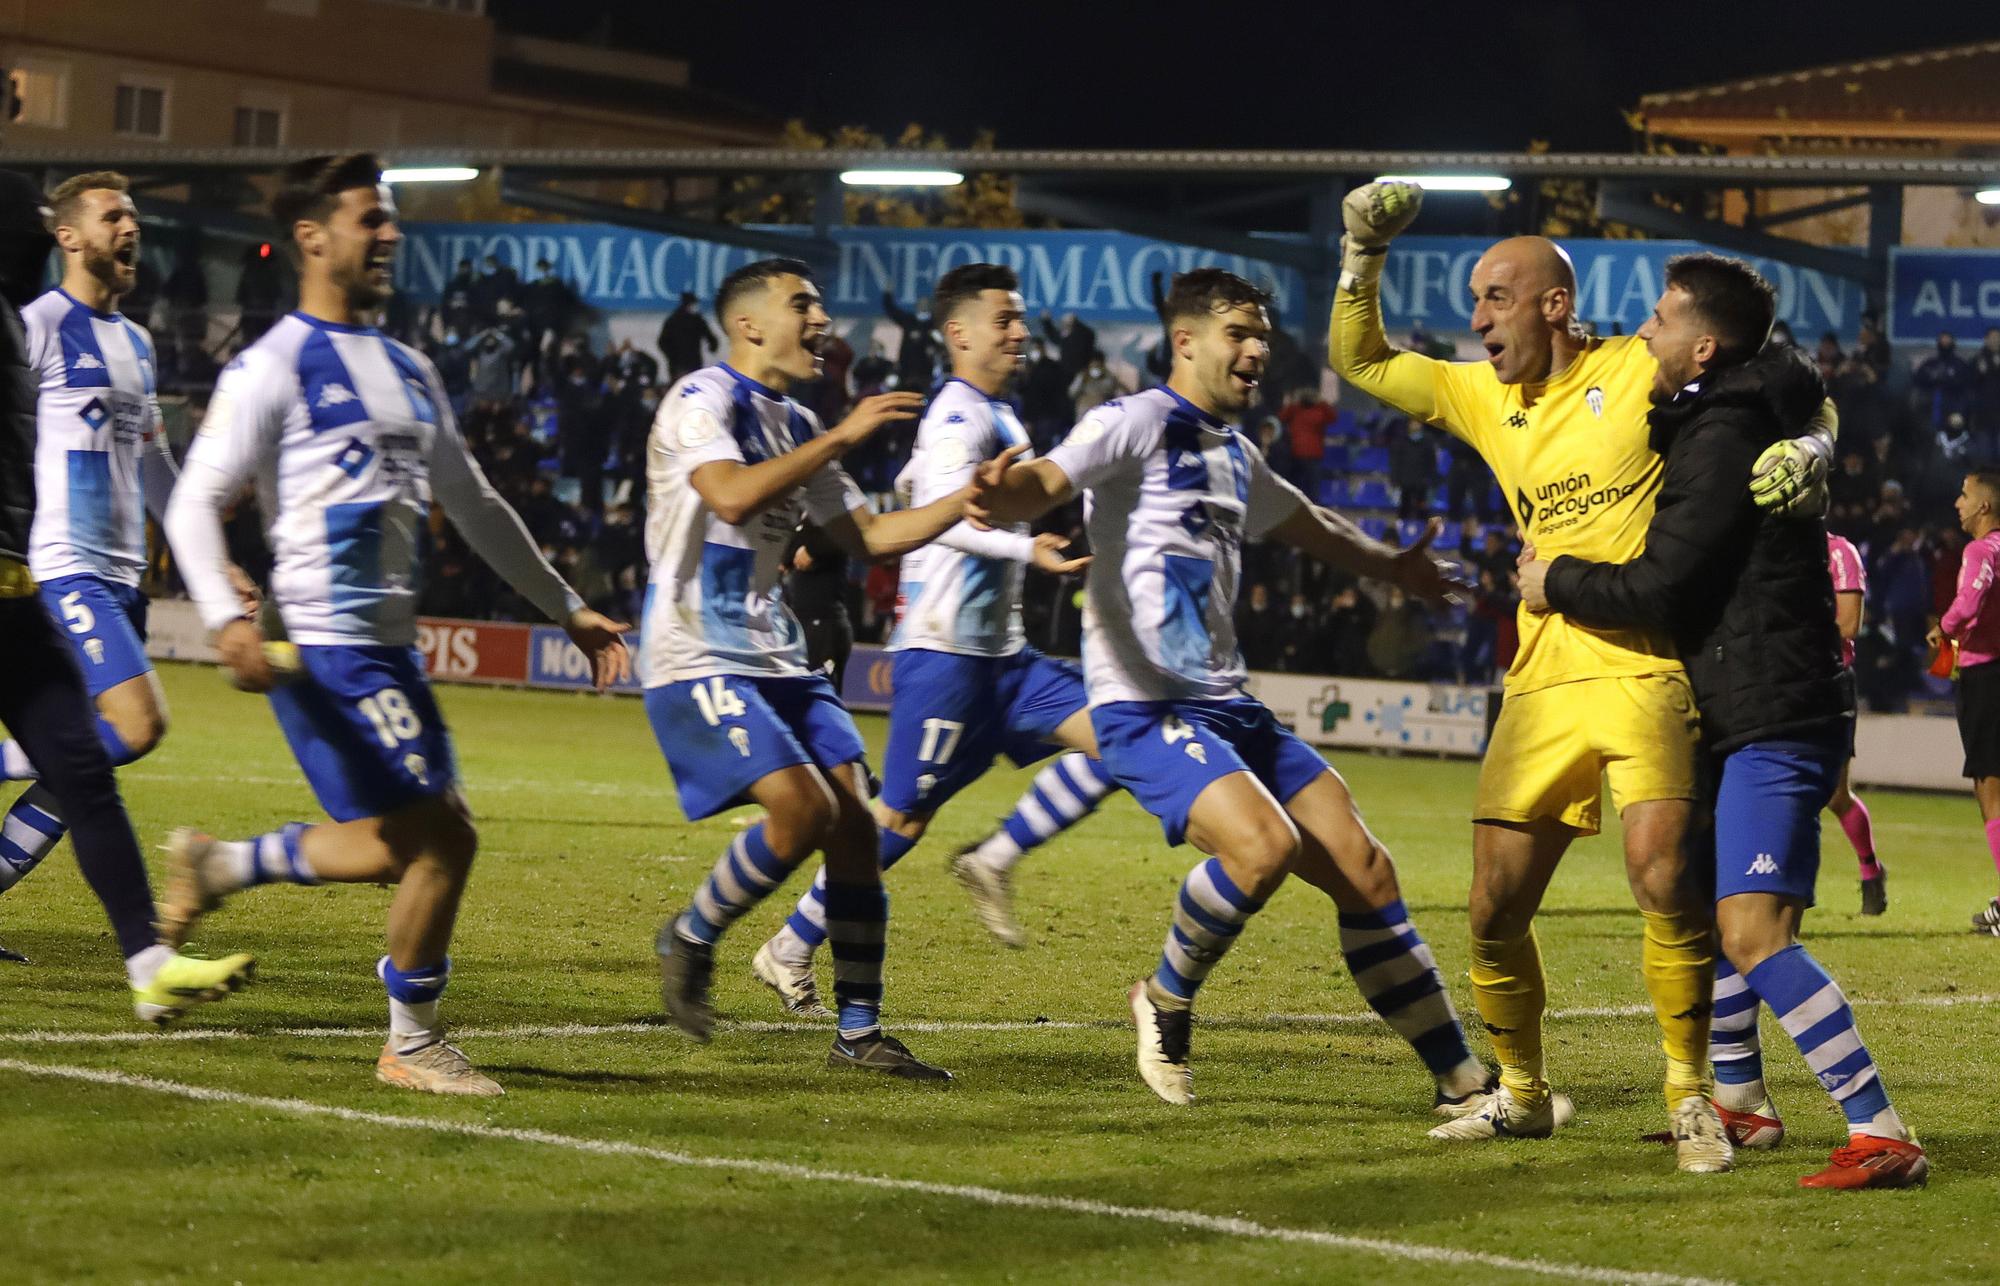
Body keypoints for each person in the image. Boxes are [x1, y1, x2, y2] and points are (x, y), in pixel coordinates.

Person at [1329, 182, 1830, 1166]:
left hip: (1642, 667)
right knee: (1488, 903)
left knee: (1657, 880)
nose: (1475, 319)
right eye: (1473, 299)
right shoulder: (1482, 396)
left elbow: (1781, 377)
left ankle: (1692, 1094)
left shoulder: (1631, 368)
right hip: (1542, 678)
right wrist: (1360, 252)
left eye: (1494, 297)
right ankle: (1518, 1089)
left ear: (1552, 305)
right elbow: (1360, 358)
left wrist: (1813, 444)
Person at [160, 154, 631, 1095]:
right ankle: (411, 1044)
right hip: (328, 644)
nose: (390, 236)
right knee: (447, 841)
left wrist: (566, 606)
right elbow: (191, 503)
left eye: (390, 221)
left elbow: (480, 503)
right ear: (313, 236)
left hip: (387, 651)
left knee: (393, 848)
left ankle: (219, 866)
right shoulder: (274, 366)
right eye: (371, 219)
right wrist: (223, 619)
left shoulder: (409, 368)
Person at [971, 268, 1491, 1114]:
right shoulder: (1134, 420)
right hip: (1144, 703)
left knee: (1365, 869)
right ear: (1186, 341)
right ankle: (1165, 999)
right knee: (1262, 848)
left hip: (1228, 703)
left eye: (1263, 336)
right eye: (1240, 335)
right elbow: (1052, 479)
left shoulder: (1236, 454)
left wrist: (1393, 567)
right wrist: (1006, 494)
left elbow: (1311, 523)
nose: (1259, 351)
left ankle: (1462, 1082)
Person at [1520, 253, 1927, 1188]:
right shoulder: (1731, 399)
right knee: (1707, 914)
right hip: (1742, 703)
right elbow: (1791, 370)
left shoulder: (1721, 433)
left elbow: (1666, 583)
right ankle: (1742, 1105)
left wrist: (1555, 582)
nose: (1644, 332)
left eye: (1659, 318)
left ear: (1703, 343)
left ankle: (1882, 1129)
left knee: (1753, 932)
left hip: (1774, 707)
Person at [644, 257, 1009, 1083]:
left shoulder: (797, 419)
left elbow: (870, 537)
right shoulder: (703, 398)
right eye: (802, 303)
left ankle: (860, 1031)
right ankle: (692, 934)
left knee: (852, 825)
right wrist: (841, 436)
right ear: (747, 325)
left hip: (777, 654)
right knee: (802, 808)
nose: (821, 319)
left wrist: (969, 499)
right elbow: (730, 497)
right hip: (696, 648)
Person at [755, 262, 1113, 1003]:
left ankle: (993, 858)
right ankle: (788, 945)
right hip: (947, 655)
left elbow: (936, 491)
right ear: (959, 333)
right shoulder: (960, 415)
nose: (1020, 332)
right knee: (899, 822)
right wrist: (1028, 548)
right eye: (1004, 320)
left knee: (1126, 737)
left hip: (1004, 657)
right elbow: (955, 526)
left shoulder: (993, 415)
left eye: (1020, 319)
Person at [0, 168, 255, 1016]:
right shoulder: (33, 327)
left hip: (123, 574)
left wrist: (206, 556)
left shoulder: (138, 345)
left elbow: (154, 467)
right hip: (60, 565)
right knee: (134, 728)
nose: (131, 227)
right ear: (68, 235)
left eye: (136, 215)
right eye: (114, 215)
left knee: (98, 752)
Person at [1932, 467, 2000, 938]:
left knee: (1989, 787)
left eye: (1964, 494)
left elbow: (1970, 603)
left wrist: (1944, 627)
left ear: (1984, 506)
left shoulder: (1980, 551)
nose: (1958, 502)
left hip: (1984, 676)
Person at [1825, 531, 1886, 915]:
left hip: (1831, 680)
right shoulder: (1763, 544)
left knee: (1834, 794)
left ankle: (1870, 870)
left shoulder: (1840, 552)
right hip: (1777, 682)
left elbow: (1848, 625)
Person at [657, 291, 719, 385]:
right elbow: (710, 337)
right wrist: (713, 346)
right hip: (693, 362)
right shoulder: (697, 319)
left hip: (677, 364)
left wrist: (671, 356)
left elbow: (662, 342)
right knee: (693, 388)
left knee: (679, 390)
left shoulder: (672, 320)